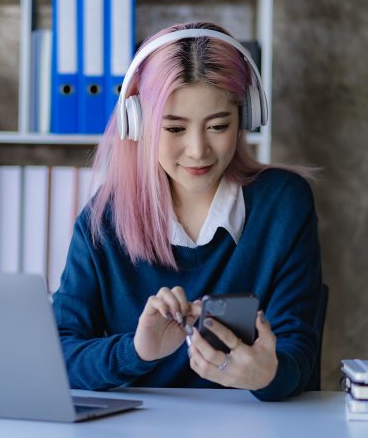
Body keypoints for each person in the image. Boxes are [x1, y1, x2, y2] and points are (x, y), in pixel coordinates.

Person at [51, 21, 323, 402]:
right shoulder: (104, 220)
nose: (197, 150)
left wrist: (269, 373)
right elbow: (57, 356)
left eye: (218, 125)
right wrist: (137, 351)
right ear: (138, 124)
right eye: (175, 129)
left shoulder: (283, 204)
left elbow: (299, 351)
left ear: (246, 118)